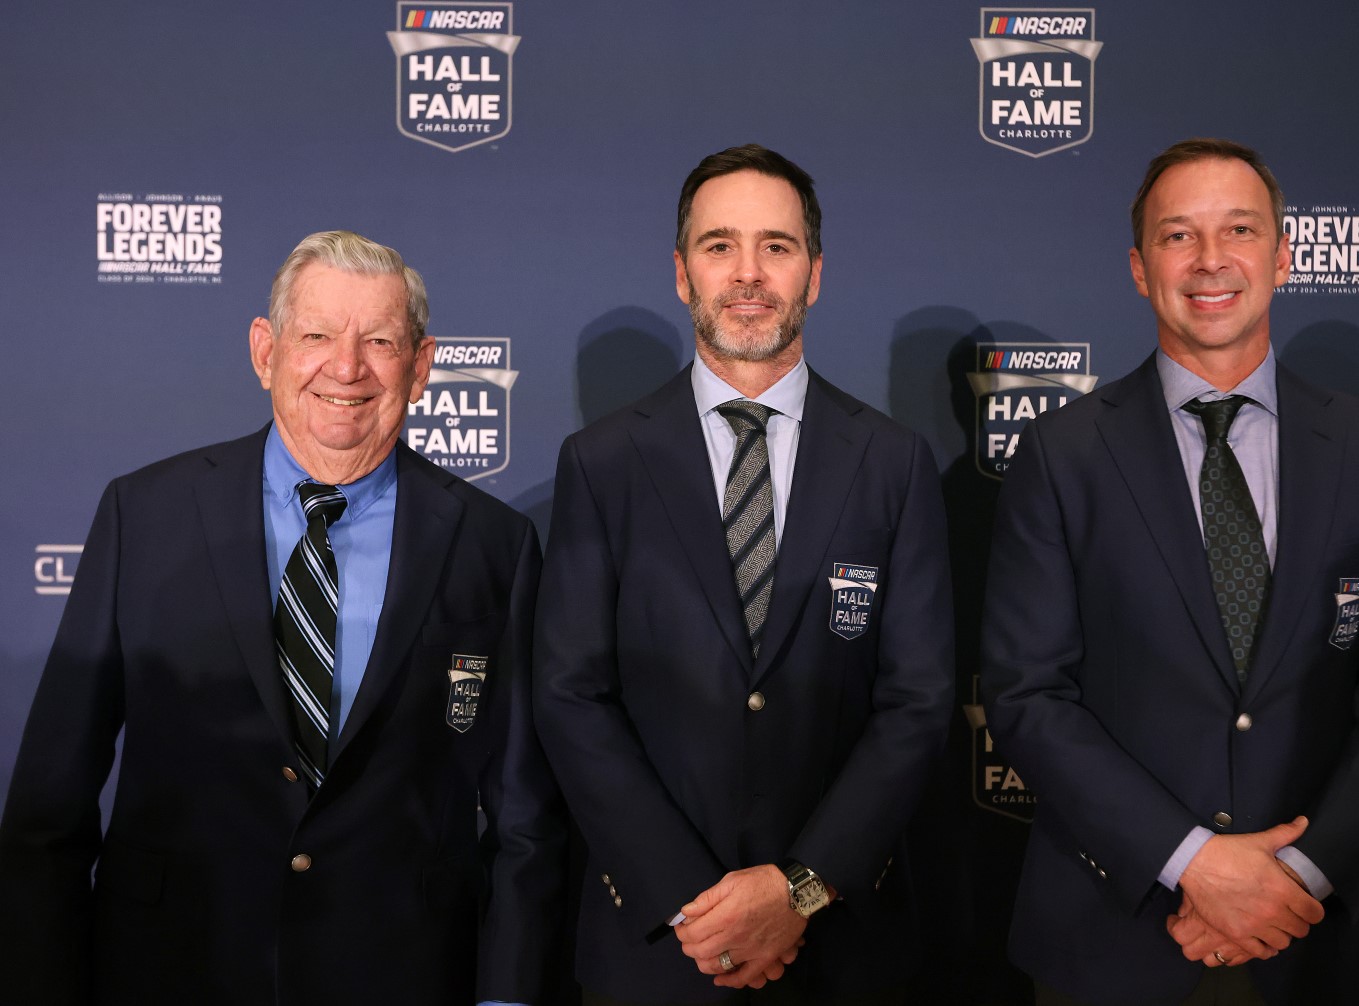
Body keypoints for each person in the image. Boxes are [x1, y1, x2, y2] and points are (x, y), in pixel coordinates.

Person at [0, 230, 566, 1005]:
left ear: (423, 366)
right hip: (169, 972)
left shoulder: (495, 545)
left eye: (379, 341)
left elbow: (525, 818)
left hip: (403, 976)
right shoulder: (147, 515)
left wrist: (505, 997)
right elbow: (49, 806)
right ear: (266, 351)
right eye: (317, 336)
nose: (346, 367)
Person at [980, 138, 1359, 1005]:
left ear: (1282, 255)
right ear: (1139, 268)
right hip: (1115, 937)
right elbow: (1026, 696)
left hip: (1314, 944)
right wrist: (1192, 862)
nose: (1211, 260)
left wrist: (1299, 876)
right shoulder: (1062, 454)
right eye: (1178, 236)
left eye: (1239, 230)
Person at [532, 144, 953, 1004]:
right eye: (720, 245)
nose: (749, 273)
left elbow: (918, 703)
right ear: (683, 274)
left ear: (816, 273)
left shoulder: (893, 463)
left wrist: (798, 889)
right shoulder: (603, 463)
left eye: (778, 245)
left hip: (841, 948)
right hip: (658, 946)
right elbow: (571, 697)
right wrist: (696, 903)